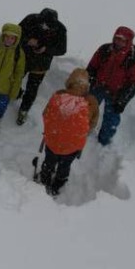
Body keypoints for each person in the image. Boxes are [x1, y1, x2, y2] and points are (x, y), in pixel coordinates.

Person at [39, 68, 100, 196]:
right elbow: (92, 124)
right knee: (64, 166)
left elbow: (46, 114)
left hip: (52, 142)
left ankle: (45, 178)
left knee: (49, 161)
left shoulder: (59, 94)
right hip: (72, 147)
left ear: (69, 81)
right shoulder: (91, 101)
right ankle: (58, 184)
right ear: (87, 85)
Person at [86, 26, 135, 145]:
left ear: (128, 42)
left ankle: (103, 142)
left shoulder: (133, 59)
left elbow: (133, 84)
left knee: (111, 120)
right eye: (117, 38)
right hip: (98, 86)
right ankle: (81, 132)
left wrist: (122, 102)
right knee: (87, 111)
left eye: (122, 40)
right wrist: (90, 79)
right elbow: (92, 66)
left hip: (116, 93)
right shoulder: (105, 49)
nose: (118, 42)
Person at [16, 7, 68, 125]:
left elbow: (62, 49)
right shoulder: (31, 19)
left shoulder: (60, 29)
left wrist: (46, 48)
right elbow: (16, 33)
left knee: (32, 89)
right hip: (24, 58)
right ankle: (16, 93)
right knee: (15, 79)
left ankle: (24, 110)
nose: (45, 27)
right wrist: (28, 40)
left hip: (41, 64)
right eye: (43, 24)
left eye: (47, 25)